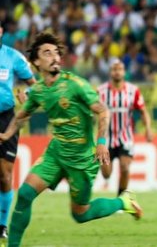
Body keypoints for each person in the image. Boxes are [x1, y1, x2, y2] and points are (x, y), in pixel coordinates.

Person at [1, 31, 143, 247]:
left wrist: (102, 143)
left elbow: (103, 111)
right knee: (25, 194)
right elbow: (21, 116)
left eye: (56, 52)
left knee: (80, 214)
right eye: (47, 53)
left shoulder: (76, 84)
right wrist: (6, 135)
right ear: (36, 61)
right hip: (56, 154)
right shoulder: (38, 90)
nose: (54, 57)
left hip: (82, 160)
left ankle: (123, 202)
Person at [0, 23, 36, 242]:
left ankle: (1, 225)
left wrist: (28, 96)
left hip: (6, 118)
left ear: (1, 31)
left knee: (4, 175)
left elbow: (35, 84)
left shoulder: (13, 57)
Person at [97, 59, 153, 195]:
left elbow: (143, 111)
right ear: (110, 72)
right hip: (107, 139)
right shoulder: (100, 92)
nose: (117, 72)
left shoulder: (133, 91)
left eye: (120, 69)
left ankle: (121, 199)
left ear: (124, 72)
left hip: (125, 137)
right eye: (114, 69)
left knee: (125, 166)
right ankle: (110, 181)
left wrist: (148, 129)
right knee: (106, 174)